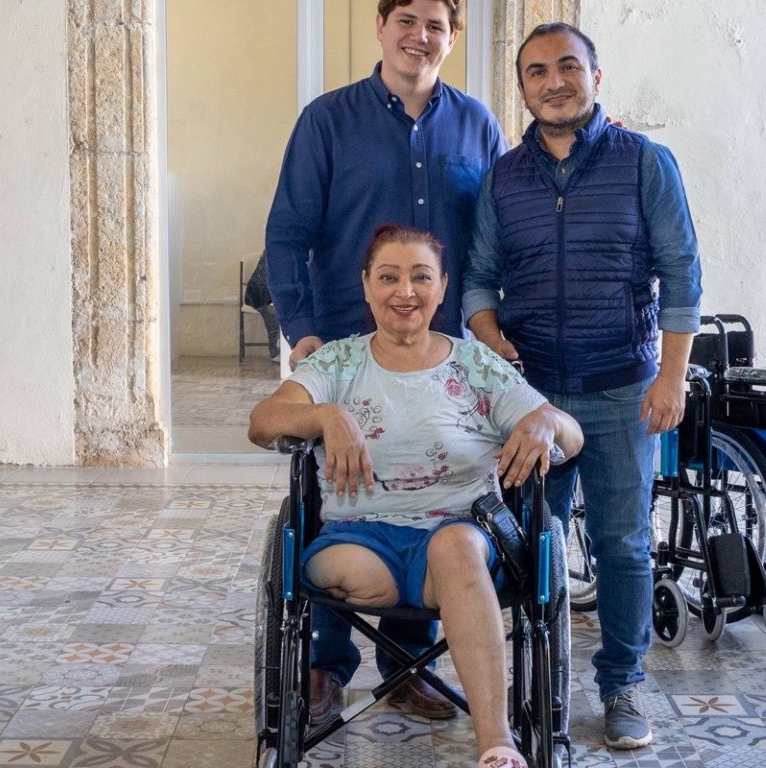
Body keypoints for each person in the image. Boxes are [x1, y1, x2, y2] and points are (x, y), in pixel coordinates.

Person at [249, 224, 583, 768]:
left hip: (460, 544)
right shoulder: (337, 364)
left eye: (421, 277)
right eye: (388, 277)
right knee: (357, 562)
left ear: (442, 287)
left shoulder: (476, 365)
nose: (405, 291)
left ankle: (497, 744)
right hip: (360, 543)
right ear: (366, 285)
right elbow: (263, 421)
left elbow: (572, 435)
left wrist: (545, 422)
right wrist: (326, 415)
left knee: (455, 548)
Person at [262, 0, 506, 725]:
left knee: (431, 491)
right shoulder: (327, 121)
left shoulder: (478, 126)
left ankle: (407, 667)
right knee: (337, 497)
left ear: (453, 35)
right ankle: (326, 667)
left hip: (442, 356)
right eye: (405, 19)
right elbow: (288, 233)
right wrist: (303, 332)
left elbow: (496, 235)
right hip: (344, 349)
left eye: (434, 24)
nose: (418, 36)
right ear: (381, 26)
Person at [463, 23, 702, 750]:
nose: (554, 82)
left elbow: (682, 273)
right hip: (532, 398)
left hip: (622, 390)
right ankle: (535, 677)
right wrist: (490, 337)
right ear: (522, 87)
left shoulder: (645, 163)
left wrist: (671, 377)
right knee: (529, 544)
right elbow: (478, 278)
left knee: (622, 544)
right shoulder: (503, 178)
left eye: (568, 66)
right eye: (537, 71)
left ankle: (622, 684)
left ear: (596, 76)